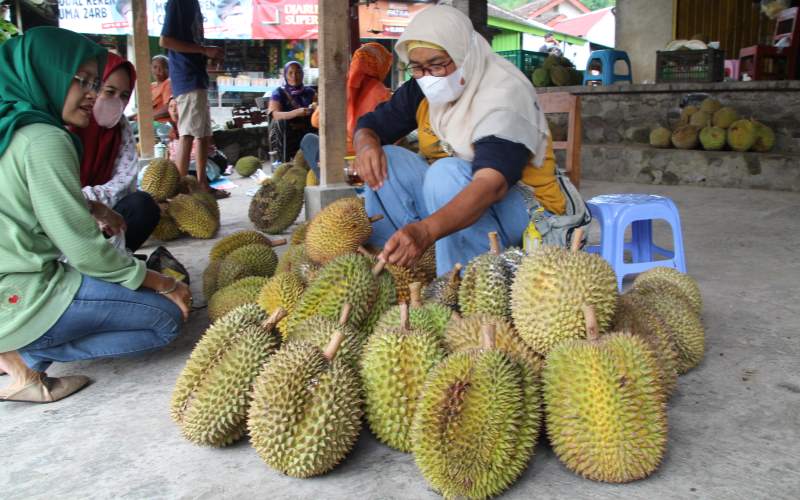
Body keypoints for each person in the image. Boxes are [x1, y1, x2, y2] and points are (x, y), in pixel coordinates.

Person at [0, 27, 191, 403]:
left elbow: (23, 195)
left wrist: (92, 205)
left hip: (9, 286)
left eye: (94, 82)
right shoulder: (45, 138)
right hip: (24, 292)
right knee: (166, 319)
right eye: (81, 81)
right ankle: (26, 351)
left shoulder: (11, 127)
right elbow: (85, 251)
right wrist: (161, 283)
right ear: (47, 74)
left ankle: (23, 366)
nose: (92, 93)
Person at [354, 5, 567, 275]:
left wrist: (426, 230)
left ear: (464, 54)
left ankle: (468, 283)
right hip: (456, 197)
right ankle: (397, 268)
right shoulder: (422, 87)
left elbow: (492, 185)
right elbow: (370, 125)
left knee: (445, 174)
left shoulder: (505, 94)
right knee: (388, 160)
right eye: (417, 68)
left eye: (437, 65)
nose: (427, 77)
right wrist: (366, 145)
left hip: (528, 212)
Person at [74, 52, 161, 253]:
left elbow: (125, 181)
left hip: (104, 209)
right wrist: (85, 206)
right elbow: (51, 194)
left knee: (143, 206)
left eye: (124, 95)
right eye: (109, 91)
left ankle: (117, 259)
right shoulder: (63, 125)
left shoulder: (121, 127)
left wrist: (98, 206)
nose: (116, 101)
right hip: (61, 214)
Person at [159, 0, 229, 198]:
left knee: (203, 134)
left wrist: (206, 51)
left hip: (196, 77)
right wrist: (204, 50)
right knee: (188, 134)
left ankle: (202, 183)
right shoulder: (177, 3)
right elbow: (165, 40)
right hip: (187, 77)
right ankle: (181, 191)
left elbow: (190, 42)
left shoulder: (193, 4)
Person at [300, 42, 393, 180]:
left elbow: (315, 121)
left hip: (337, 158)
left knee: (308, 140)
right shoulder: (384, 94)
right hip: (368, 160)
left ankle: (331, 178)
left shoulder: (339, 87)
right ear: (382, 66)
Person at [268, 61, 316, 162]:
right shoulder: (278, 93)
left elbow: (318, 108)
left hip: (307, 130)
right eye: (290, 73)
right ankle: (283, 161)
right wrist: (296, 112)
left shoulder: (310, 92)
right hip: (287, 134)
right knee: (280, 123)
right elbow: (275, 115)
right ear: (285, 75)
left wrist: (314, 109)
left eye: (298, 72)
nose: (294, 76)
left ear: (302, 75)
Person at [150, 54, 172, 123]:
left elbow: (168, 109)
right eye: (155, 67)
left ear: (169, 69)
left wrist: (146, 117)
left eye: (161, 67)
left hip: (162, 124)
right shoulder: (151, 86)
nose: (158, 70)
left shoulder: (168, 83)